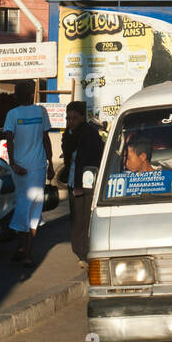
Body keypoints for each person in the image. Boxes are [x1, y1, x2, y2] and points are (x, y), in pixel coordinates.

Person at [1, 82, 54, 265]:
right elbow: (46, 139)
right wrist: (50, 164)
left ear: (16, 95)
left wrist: (13, 164)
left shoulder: (12, 114)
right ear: (32, 93)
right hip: (38, 168)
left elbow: (9, 139)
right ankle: (26, 251)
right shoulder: (40, 112)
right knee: (33, 208)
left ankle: (23, 249)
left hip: (22, 169)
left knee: (24, 205)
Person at [61, 101, 104, 266]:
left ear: (82, 118)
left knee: (86, 219)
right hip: (74, 182)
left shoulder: (90, 135)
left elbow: (91, 159)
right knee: (77, 219)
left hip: (87, 184)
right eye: (68, 118)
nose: (71, 122)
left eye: (74, 118)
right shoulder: (69, 135)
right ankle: (80, 253)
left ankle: (86, 253)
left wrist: (81, 182)